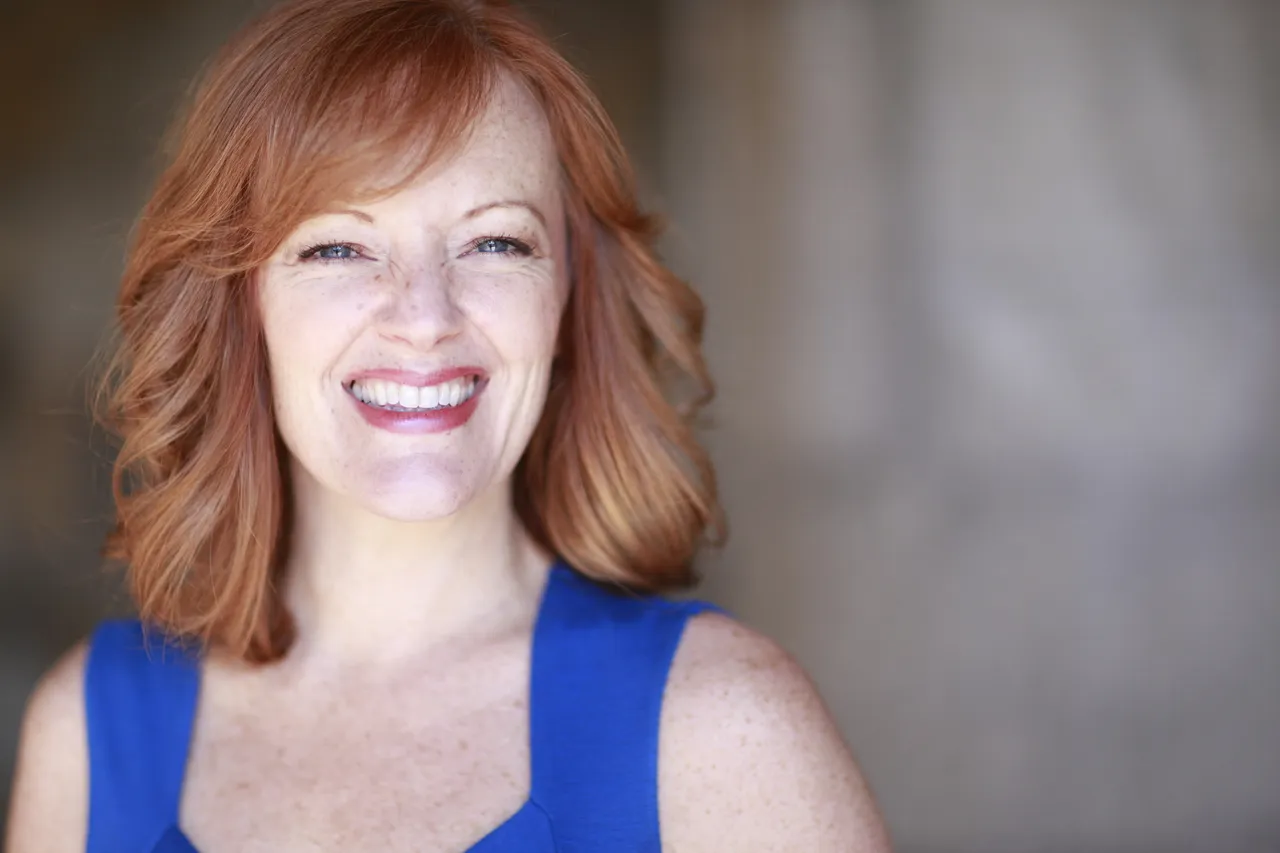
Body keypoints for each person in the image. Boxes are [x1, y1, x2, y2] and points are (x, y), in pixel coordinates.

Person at [6, 1, 892, 850]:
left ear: (567, 297)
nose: (424, 318)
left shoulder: (728, 730)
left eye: (495, 242)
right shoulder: (84, 734)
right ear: (244, 305)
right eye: (338, 247)